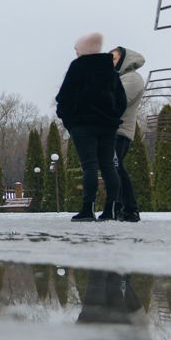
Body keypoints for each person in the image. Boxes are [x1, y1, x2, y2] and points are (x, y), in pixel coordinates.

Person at [55, 32, 126, 221]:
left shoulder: (78, 67)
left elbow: (64, 97)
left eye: (77, 49)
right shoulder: (109, 69)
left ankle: (88, 209)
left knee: (90, 166)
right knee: (108, 165)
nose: (76, 53)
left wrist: (68, 119)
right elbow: (121, 100)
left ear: (83, 50)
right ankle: (110, 209)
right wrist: (112, 117)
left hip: (83, 125)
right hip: (108, 125)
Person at [110, 47, 146, 223]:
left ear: (124, 59)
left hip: (120, 131)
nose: (111, 61)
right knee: (113, 169)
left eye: (114, 58)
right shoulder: (118, 78)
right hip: (113, 130)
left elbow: (116, 101)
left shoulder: (132, 78)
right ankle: (119, 208)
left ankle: (130, 209)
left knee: (116, 168)